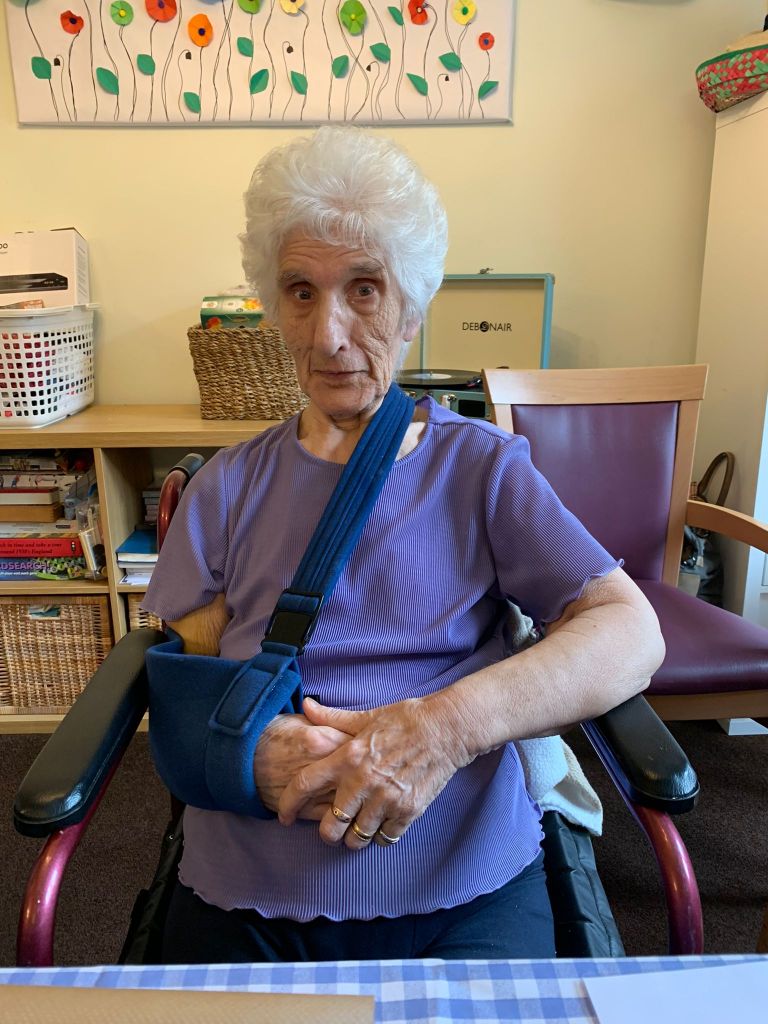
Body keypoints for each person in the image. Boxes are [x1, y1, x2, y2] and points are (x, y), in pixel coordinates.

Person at [143, 126, 665, 964]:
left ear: (413, 307)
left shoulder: (481, 469)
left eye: (364, 289)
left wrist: (444, 729)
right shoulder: (225, 486)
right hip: (249, 895)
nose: (329, 334)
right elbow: (181, 685)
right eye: (301, 292)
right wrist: (246, 755)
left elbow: (630, 631)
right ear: (275, 308)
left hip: (464, 892)